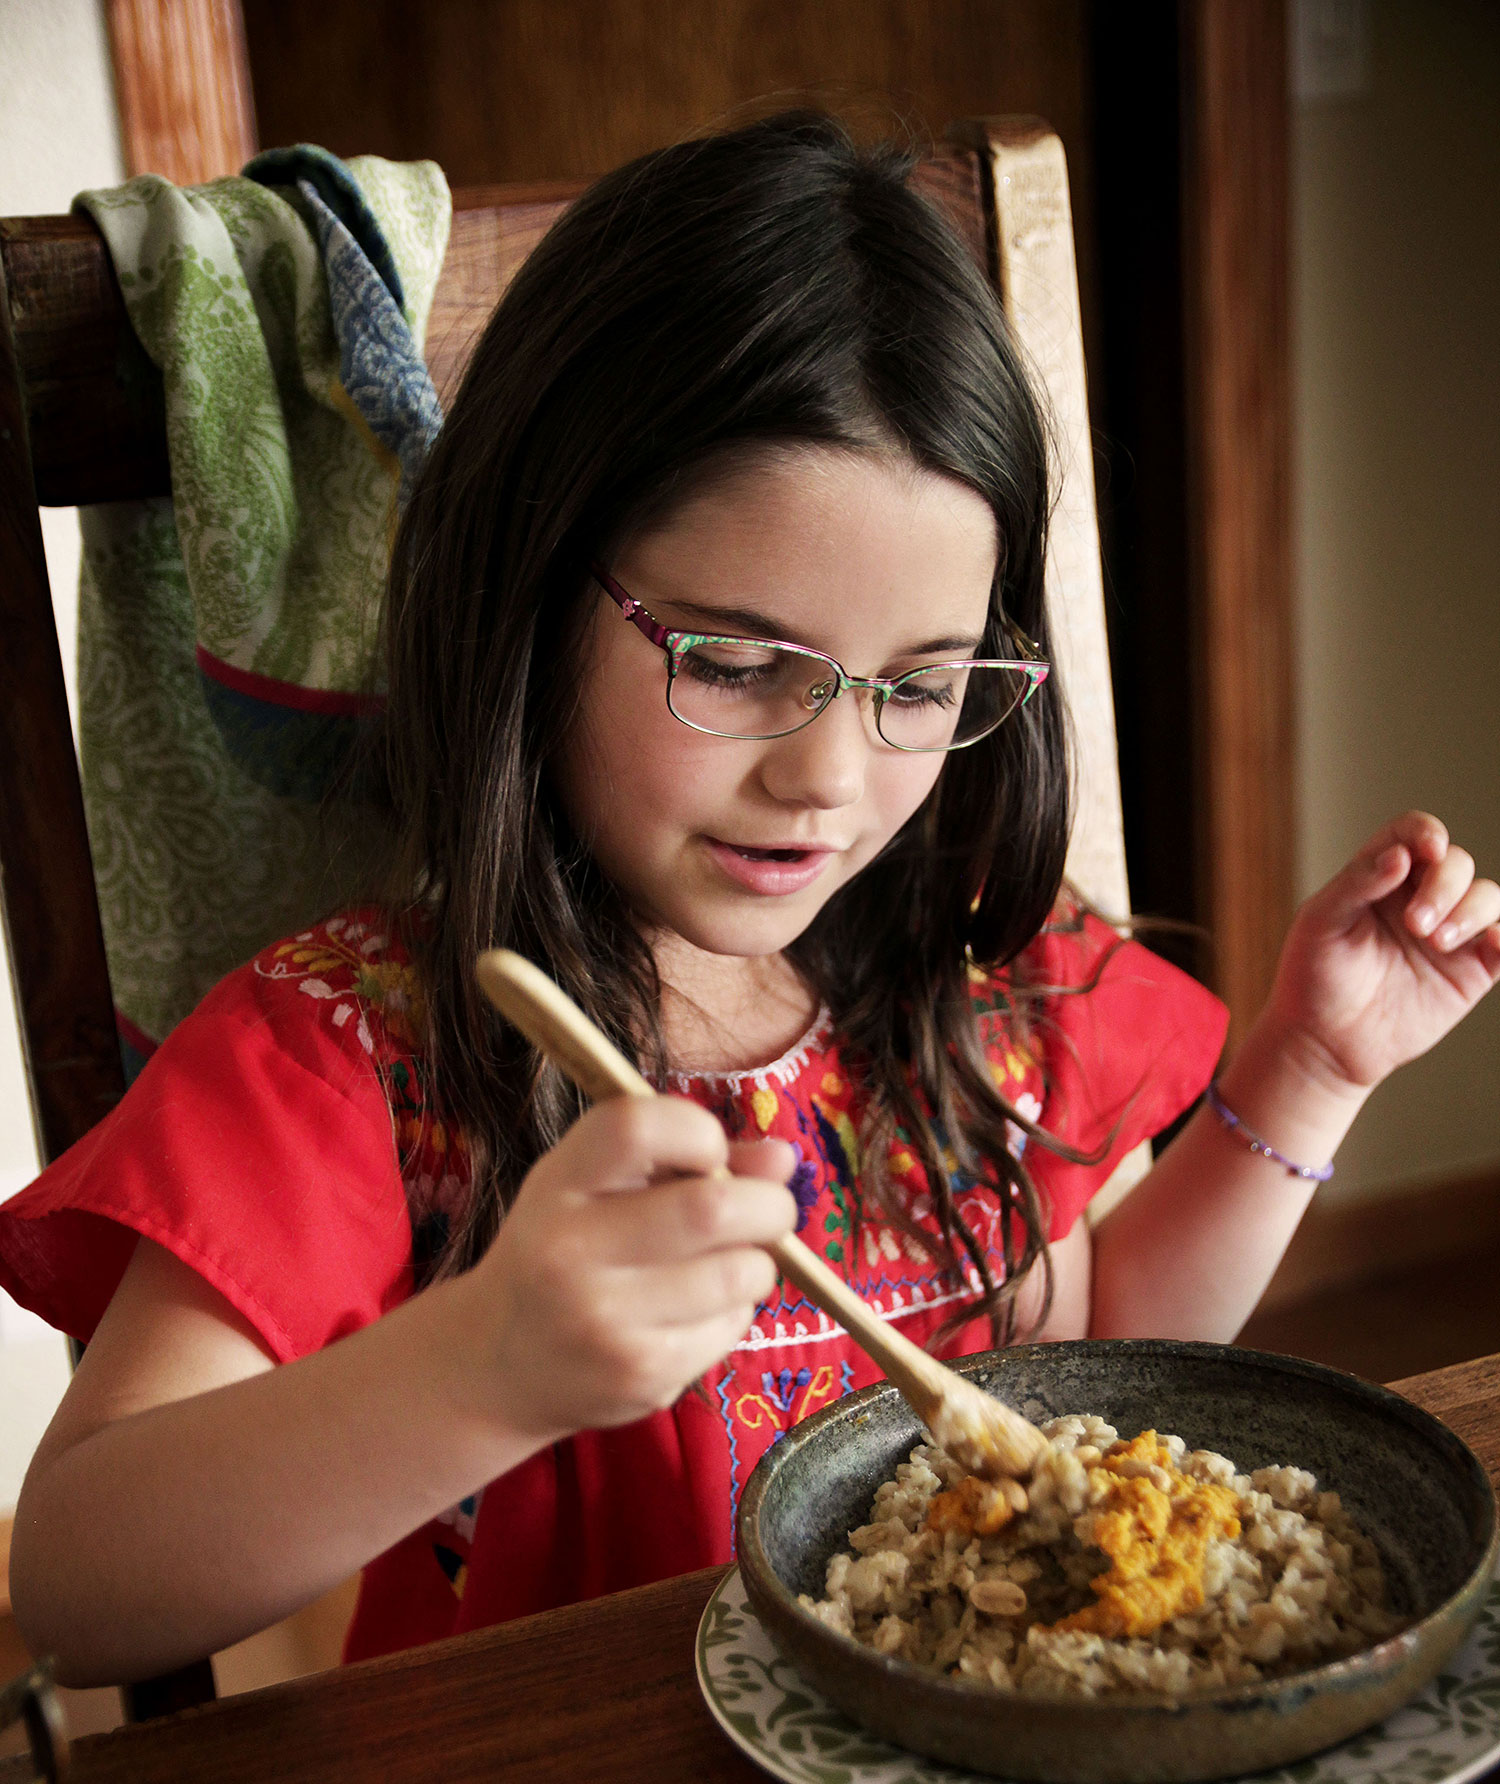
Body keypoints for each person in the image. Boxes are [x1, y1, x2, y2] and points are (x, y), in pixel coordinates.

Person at [3, 113, 1496, 1689]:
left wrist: (1310, 1070)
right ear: (529, 592)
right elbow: (84, 1579)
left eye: (918, 686)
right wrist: (483, 1364)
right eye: (732, 661)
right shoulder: (360, 1056)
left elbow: (1099, 1346)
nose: (829, 778)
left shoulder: (974, 971)